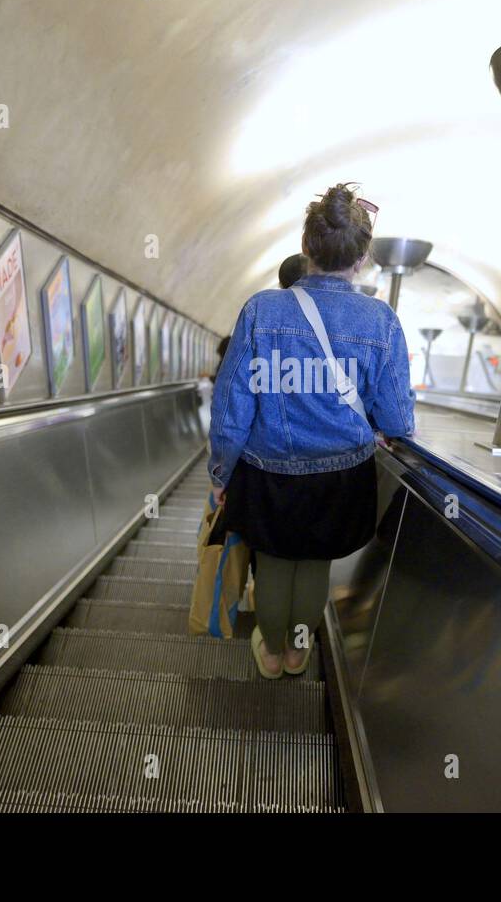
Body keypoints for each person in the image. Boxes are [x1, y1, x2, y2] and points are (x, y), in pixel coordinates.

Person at [208, 183, 415, 679]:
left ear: (306, 248)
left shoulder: (262, 310)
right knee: (316, 565)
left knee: (275, 563)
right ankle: (300, 653)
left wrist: (221, 472)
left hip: (268, 470)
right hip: (342, 476)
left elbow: (232, 405)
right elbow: (397, 418)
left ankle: (273, 651)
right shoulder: (380, 321)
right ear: (363, 258)